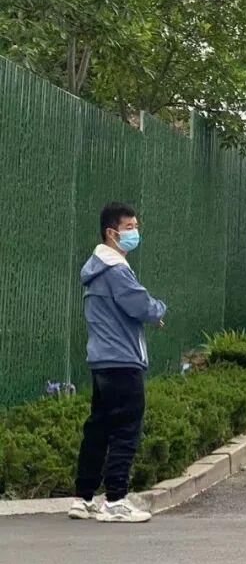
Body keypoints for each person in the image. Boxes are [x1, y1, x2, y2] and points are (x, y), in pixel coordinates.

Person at [69, 203, 167, 523]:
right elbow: (141, 304)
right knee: (126, 429)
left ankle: (83, 498)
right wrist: (159, 310)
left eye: (136, 226)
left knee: (98, 429)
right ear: (111, 233)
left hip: (101, 362)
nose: (134, 233)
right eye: (129, 228)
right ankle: (115, 501)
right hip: (123, 361)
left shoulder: (95, 270)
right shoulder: (116, 270)